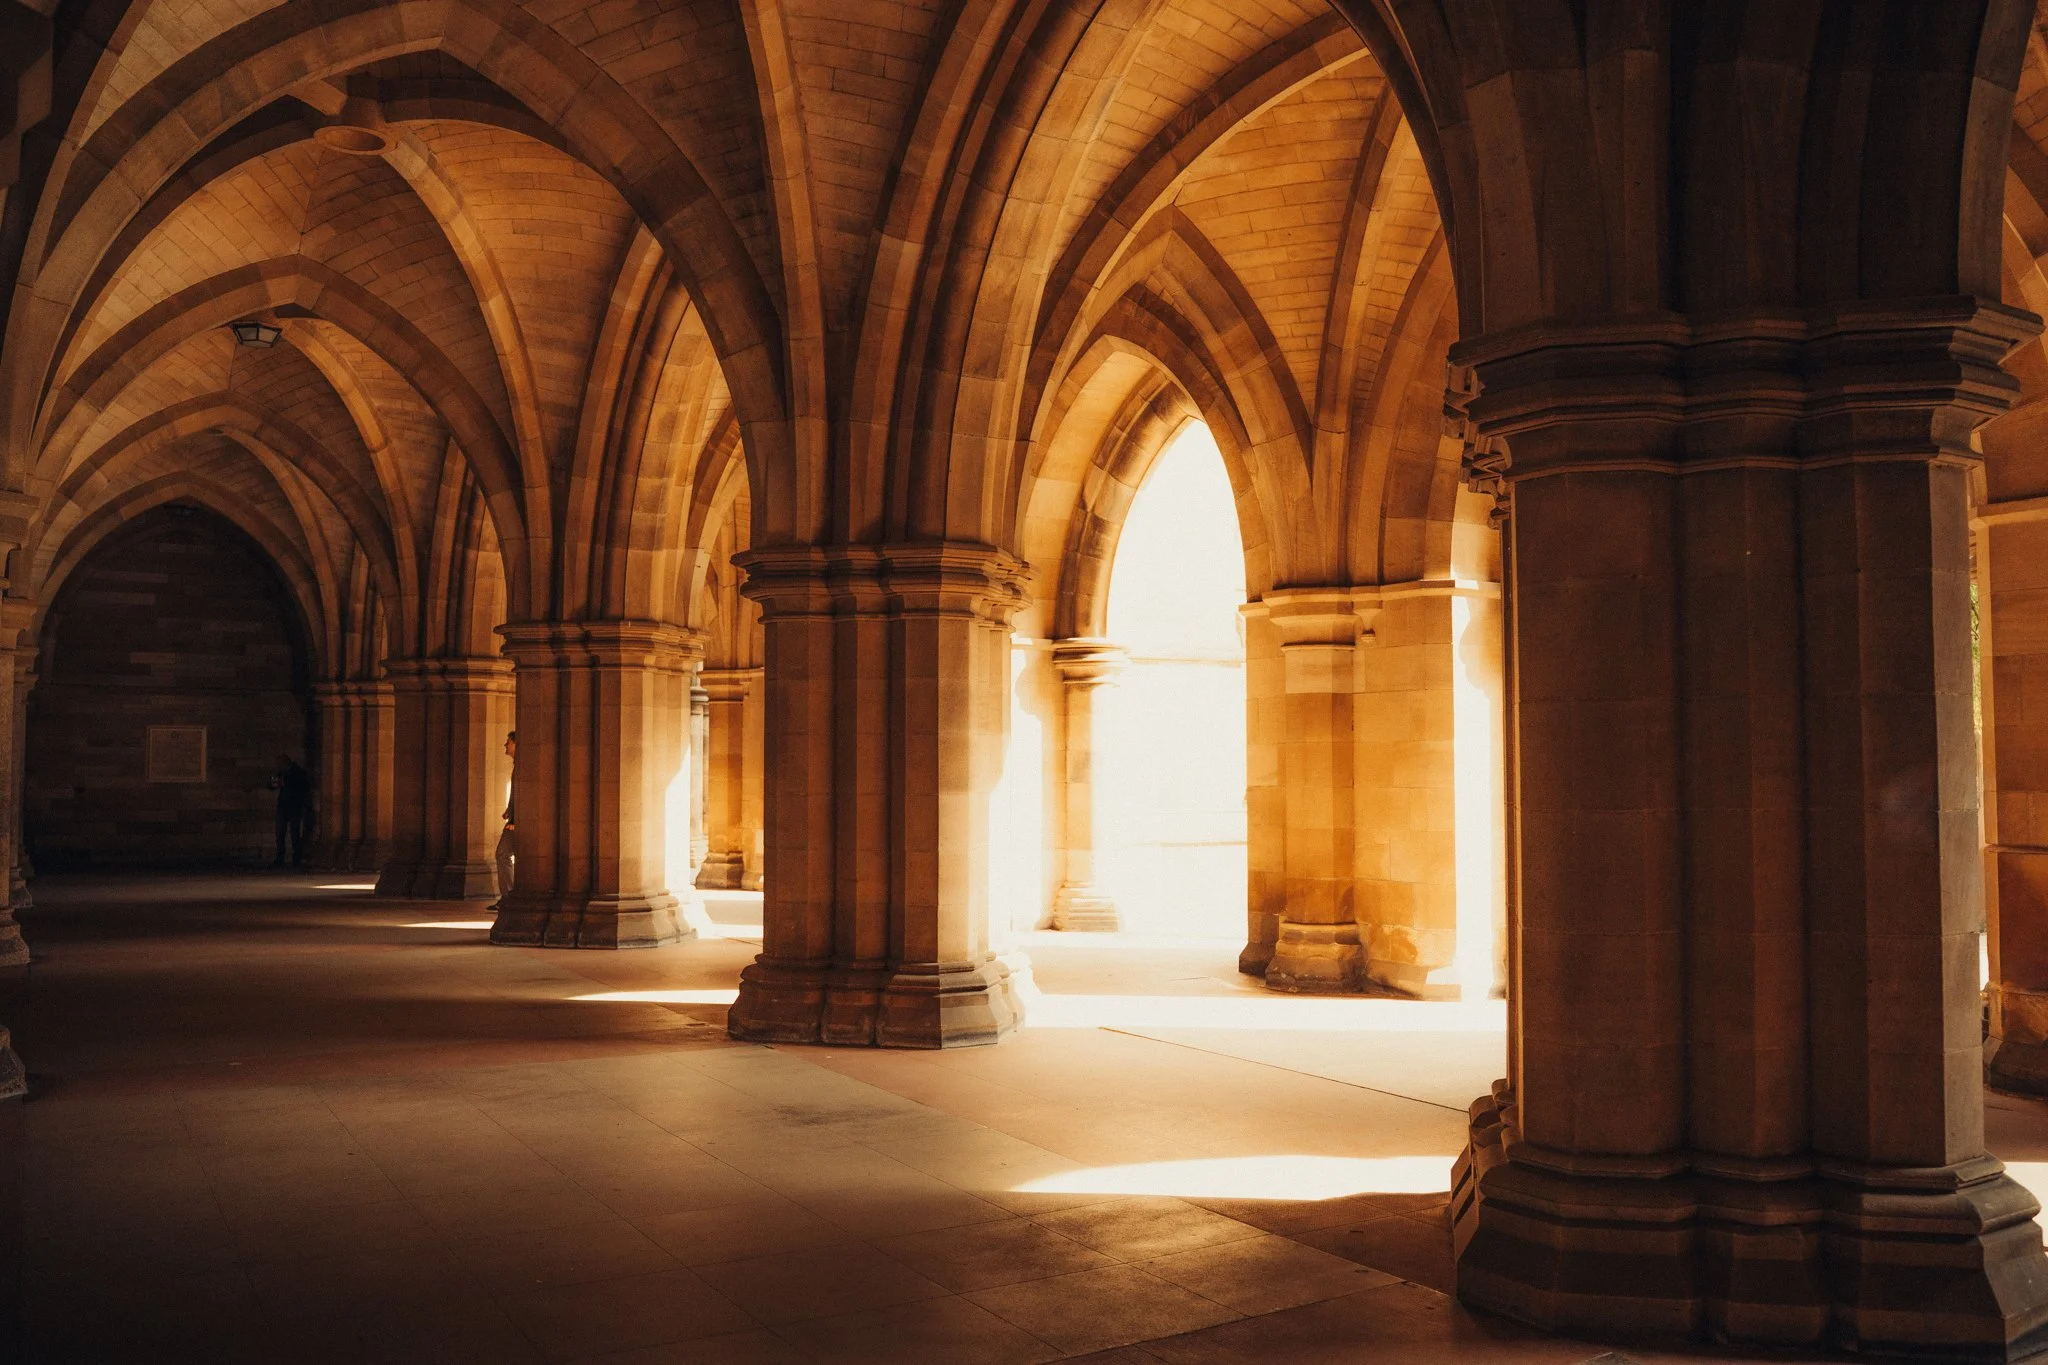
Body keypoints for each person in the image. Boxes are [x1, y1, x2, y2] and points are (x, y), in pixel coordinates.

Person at [269, 754, 313, 867]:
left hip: (294, 805)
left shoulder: (298, 772)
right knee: (280, 833)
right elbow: (271, 786)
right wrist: (274, 782)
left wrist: (286, 784)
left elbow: (302, 787)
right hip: (283, 806)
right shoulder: (281, 773)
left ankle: (296, 858)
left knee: (294, 833)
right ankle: (280, 858)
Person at [495, 730, 516, 899]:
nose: (505, 745)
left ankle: (508, 896)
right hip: (514, 819)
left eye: (508, 742)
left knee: (503, 853)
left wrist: (515, 819)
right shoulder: (519, 765)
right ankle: (508, 896)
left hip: (517, 823)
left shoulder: (522, 766)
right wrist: (510, 809)